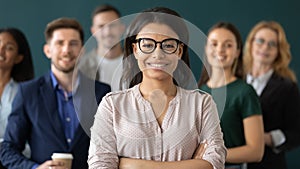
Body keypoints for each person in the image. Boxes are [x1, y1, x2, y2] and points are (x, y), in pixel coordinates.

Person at [88, 7, 226, 169]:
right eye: (147, 45)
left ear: (179, 51)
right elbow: (100, 165)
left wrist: (131, 165)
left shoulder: (202, 104)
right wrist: (192, 165)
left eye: (168, 45)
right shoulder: (112, 105)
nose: (158, 54)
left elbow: (215, 161)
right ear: (135, 50)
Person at [0, 18, 111, 169]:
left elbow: (111, 148)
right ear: (47, 50)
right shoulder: (28, 92)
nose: (66, 50)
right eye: (60, 43)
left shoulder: (102, 92)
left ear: (82, 50)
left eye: (73, 43)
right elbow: (7, 149)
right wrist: (35, 168)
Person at [198, 22, 264, 168]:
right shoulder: (198, 92)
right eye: (214, 44)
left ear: (237, 52)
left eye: (228, 45)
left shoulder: (245, 92)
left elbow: (256, 151)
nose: (220, 49)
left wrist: (213, 155)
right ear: (206, 49)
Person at [243, 21, 300, 169]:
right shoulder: (236, 79)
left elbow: (296, 133)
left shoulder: (287, 87)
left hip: (268, 164)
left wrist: (268, 138)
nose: (265, 47)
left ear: (278, 51)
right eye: (260, 41)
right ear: (251, 43)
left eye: (272, 44)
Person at [0, 27, 34, 167]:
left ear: (19, 58)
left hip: (14, 163)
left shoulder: (25, 92)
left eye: (9, 48)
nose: (1, 51)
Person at [78, 4, 125, 91]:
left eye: (112, 25)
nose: (107, 32)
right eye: (101, 26)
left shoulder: (136, 63)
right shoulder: (81, 67)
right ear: (93, 31)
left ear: (122, 28)